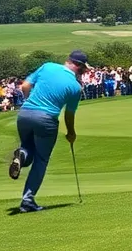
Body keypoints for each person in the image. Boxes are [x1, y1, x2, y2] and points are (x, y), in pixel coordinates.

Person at [8, 50, 85, 213]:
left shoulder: (48, 66)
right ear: (79, 66)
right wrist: (71, 133)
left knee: (27, 148)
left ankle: (21, 155)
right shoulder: (76, 87)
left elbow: (25, 86)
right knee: (41, 160)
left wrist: (29, 102)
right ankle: (27, 201)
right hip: (46, 119)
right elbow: (69, 114)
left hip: (25, 113)